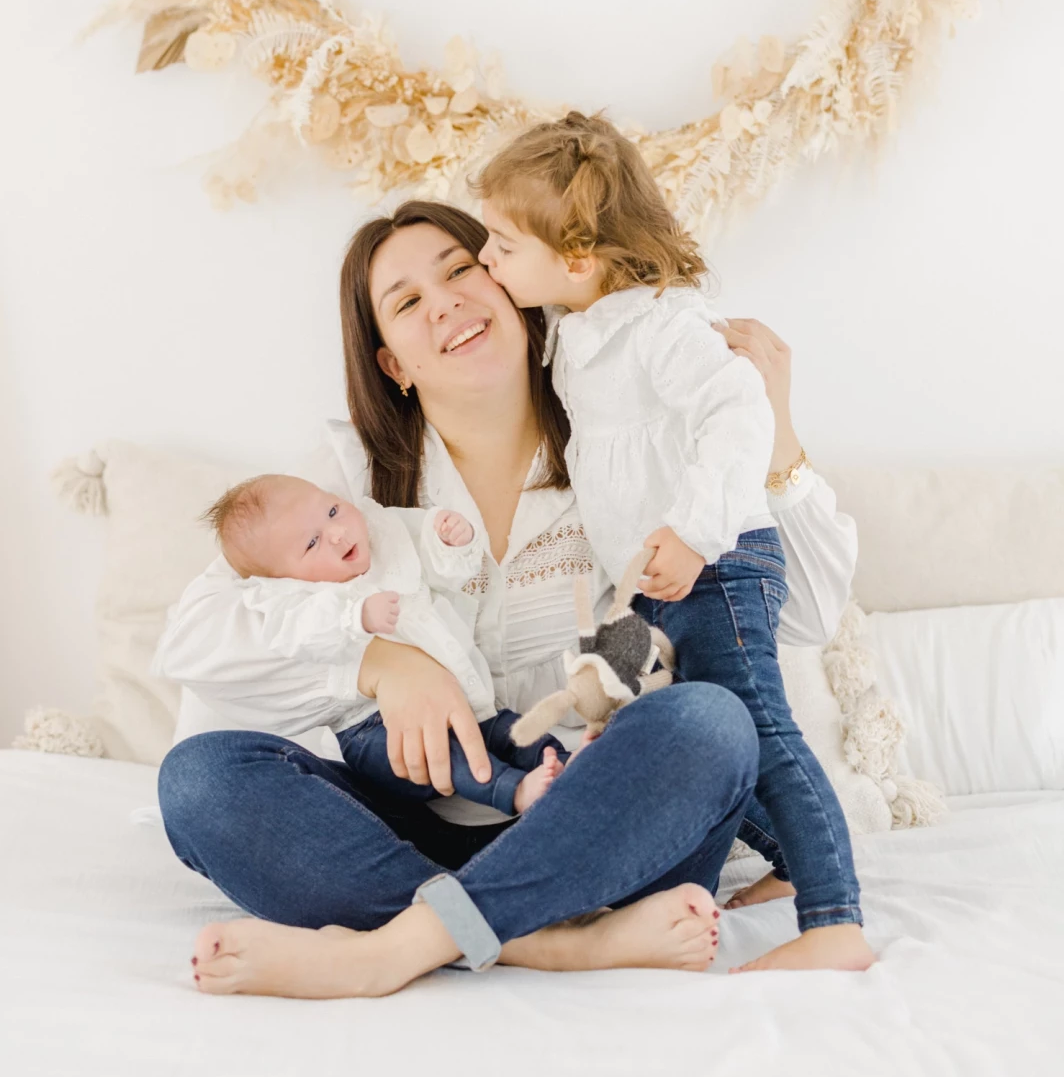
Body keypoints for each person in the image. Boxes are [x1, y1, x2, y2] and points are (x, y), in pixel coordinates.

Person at [157, 199, 859, 997]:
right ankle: (550, 944)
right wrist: (379, 665)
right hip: (408, 833)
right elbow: (195, 639)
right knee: (199, 780)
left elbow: (806, 615)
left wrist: (775, 433)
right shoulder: (345, 479)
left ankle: (402, 946)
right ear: (393, 364)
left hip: (599, 831)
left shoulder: (631, 440)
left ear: (512, 290)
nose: (445, 303)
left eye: (461, 270)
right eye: (407, 302)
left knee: (711, 722)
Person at [475, 112, 873, 972]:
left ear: (577, 258)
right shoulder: (578, 332)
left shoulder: (661, 326)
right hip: (663, 579)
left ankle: (836, 920)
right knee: (696, 743)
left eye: (502, 244)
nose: (485, 258)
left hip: (719, 561)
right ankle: (788, 860)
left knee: (759, 729)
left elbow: (738, 413)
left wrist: (694, 531)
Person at [154, 471, 565, 817]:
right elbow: (302, 633)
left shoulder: (378, 532)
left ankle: (565, 764)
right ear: (283, 578)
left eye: (333, 510)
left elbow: (427, 548)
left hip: (462, 702)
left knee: (514, 730)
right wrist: (357, 618)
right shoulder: (293, 600)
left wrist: (447, 538)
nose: (336, 533)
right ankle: (513, 792)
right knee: (454, 759)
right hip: (374, 730)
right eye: (312, 543)